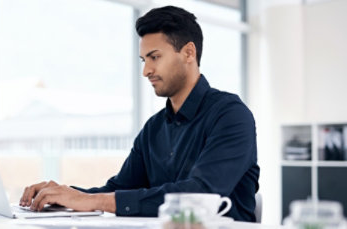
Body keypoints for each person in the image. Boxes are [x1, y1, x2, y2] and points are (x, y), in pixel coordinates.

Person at [19, 5, 260, 222]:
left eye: (155, 57)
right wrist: (64, 195)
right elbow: (119, 188)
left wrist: (91, 201)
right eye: (144, 60)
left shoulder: (231, 116)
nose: (146, 71)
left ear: (188, 53)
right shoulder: (154, 128)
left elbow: (202, 193)